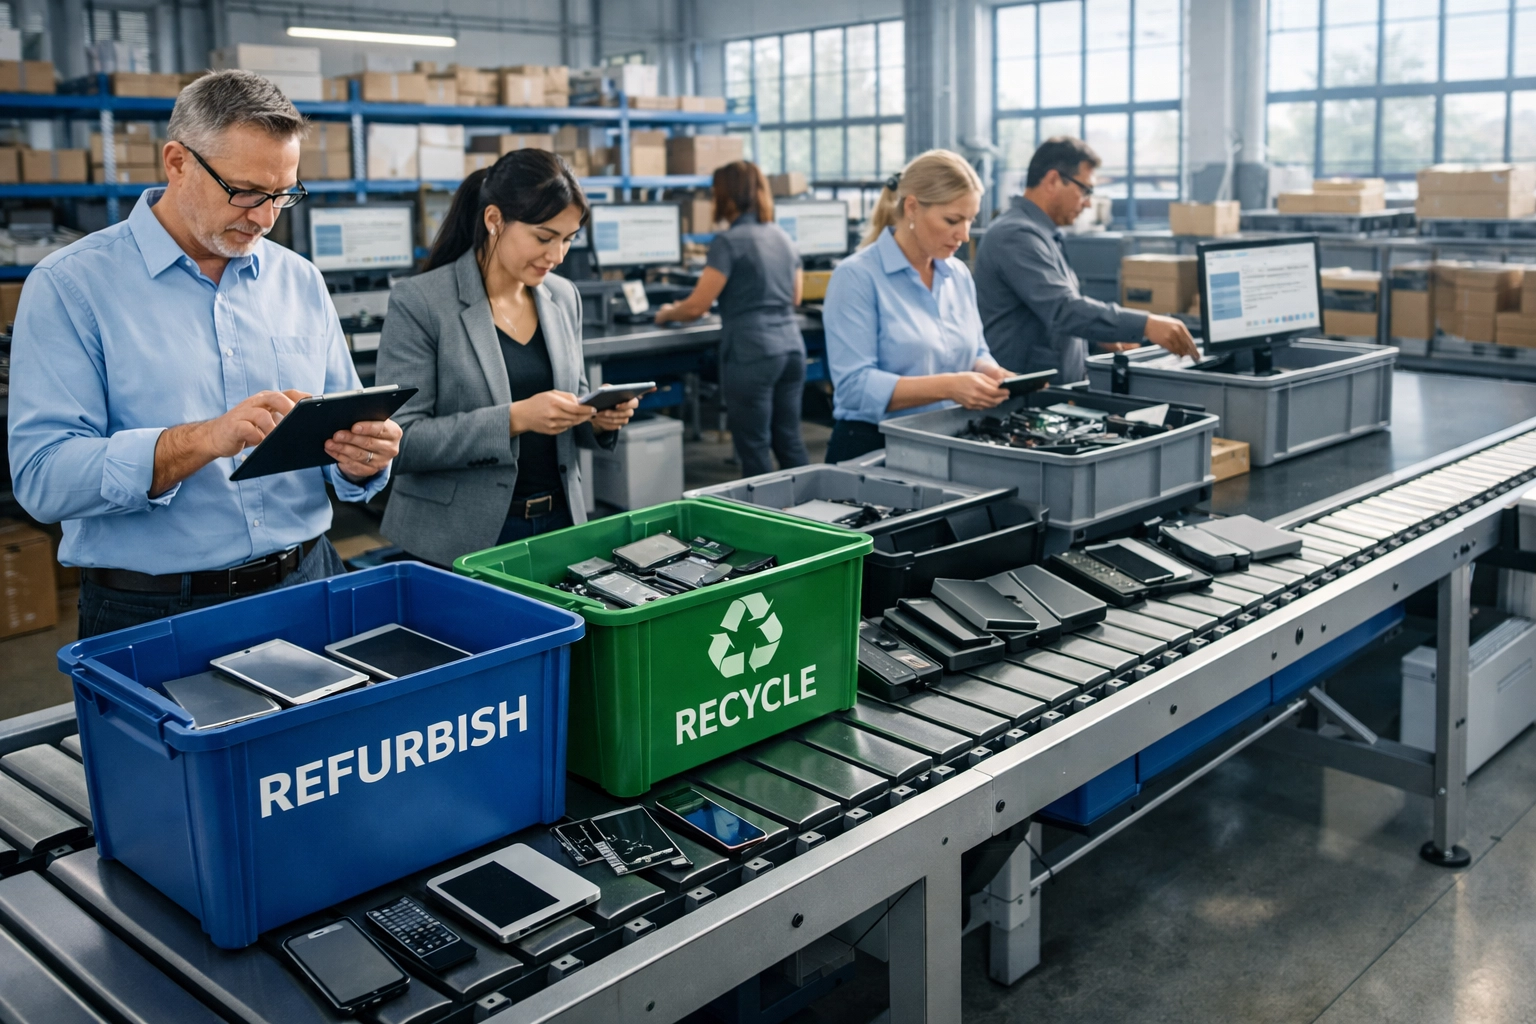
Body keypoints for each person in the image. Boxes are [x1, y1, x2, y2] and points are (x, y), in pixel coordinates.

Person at [8, 70, 398, 639]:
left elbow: (339, 427)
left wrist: (362, 458)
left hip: (308, 582)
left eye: (282, 195)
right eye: (244, 191)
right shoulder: (72, 287)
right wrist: (202, 440)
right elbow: (44, 478)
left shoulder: (300, 280)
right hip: (155, 612)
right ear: (177, 162)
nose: (264, 218)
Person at [375, 150, 637, 566]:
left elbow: (575, 402)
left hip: (558, 527)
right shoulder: (422, 302)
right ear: (494, 219)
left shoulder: (562, 296)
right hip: (458, 541)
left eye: (568, 240)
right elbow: (400, 440)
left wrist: (597, 419)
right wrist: (515, 418)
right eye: (544, 237)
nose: (557, 256)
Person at [821, 149, 1011, 464]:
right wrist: (950, 386)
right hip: (873, 449)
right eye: (953, 220)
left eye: (969, 220)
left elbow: (975, 350)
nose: (963, 235)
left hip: (945, 442)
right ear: (912, 208)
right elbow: (854, 387)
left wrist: (991, 372)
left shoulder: (957, 274)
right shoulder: (857, 277)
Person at [974, 136, 1199, 383]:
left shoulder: (1044, 234)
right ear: (1052, 180)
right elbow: (1063, 309)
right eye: (1085, 190)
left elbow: (1047, 313)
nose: (1088, 203)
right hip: (1022, 397)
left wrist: (1096, 336)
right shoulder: (1015, 235)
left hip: (1051, 393)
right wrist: (1146, 324)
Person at [656, 161, 809, 478]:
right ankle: (813, 517)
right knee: (790, 440)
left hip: (753, 353)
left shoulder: (727, 242)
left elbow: (696, 307)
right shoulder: (784, 237)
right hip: (792, 349)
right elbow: (795, 298)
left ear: (724, 195)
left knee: (753, 447)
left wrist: (667, 313)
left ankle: (762, 525)